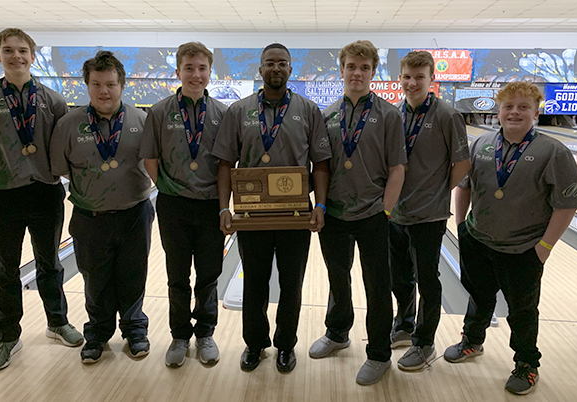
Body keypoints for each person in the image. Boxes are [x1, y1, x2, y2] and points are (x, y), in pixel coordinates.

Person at [445, 82, 577, 395]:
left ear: (536, 112)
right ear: (498, 110)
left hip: (523, 249)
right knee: (478, 297)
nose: (515, 112)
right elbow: (464, 185)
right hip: (478, 241)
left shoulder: (553, 151)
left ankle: (526, 363)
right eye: (508, 106)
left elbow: (567, 203)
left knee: (522, 311)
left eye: (523, 107)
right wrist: (463, 225)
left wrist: (544, 248)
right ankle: (472, 341)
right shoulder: (482, 144)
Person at [0, 28, 83, 371]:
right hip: (2, 197)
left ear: (33, 54)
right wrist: (2, 173)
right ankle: (7, 337)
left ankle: (57, 322)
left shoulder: (53, 100)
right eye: (8, 50)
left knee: (50, 263)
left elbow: (63, 149)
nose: (16, 56)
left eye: (22, 50)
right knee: (5, 270)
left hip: (45, 193)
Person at [212, 43, 331, 374]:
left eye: (282, 63)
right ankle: (254, 344)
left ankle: (285, 345)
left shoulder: (308, 111)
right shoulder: (239, 111)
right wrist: (225, 208)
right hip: (252, 215)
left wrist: (319, 204)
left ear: (291, 70)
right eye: (269, 63)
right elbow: (225, 163)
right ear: (260, 69)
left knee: (292, 284)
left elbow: (320, 164)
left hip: (295, 214)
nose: (275, 68)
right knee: (255, 283)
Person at [307, 40, 406, 385]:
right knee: (338, 278)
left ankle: (379, 354)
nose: (357, 73)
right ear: (342, 70)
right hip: (334, 212)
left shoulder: (389, 114)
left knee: (378, 286)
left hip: (372, 214)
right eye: (351, 66)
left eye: (365, 68)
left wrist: (386, 212)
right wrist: (319, 205)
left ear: (373, 72)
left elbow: (397, 168)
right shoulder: (327, 114)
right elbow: (320, 165)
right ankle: (337, 333)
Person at [50, 51, 154, 364]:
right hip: (89, 216)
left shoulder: (142, 120)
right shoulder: (68, 124)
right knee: (94, 278)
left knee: (133, 276)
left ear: (122, 85)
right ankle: (97, 332)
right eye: (96, 84)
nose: (103, 91)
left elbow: (152, 162)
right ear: (87, 85)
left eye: (110, 84)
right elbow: (61, 169)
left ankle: (134, 329)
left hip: (135, 213)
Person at [140, 42, 227, 367]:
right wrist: (166, 186)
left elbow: (225, 165)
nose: (195, 74)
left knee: (208, 275)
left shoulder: (221, 113)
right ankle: (179, 335)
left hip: (209, 206)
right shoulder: (160, 111)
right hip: (173, 205)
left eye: (202, 68)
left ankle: (205, 333)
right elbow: (150, 158)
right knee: (177, 275)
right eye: (189, 68)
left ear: (209, 72)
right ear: (178, 72)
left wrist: (223, 206)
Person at [389, 50, 471, 371]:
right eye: (407, 77)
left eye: (419, 77)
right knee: (400, 276)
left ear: (431, 79)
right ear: (400, 78)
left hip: (430, 214)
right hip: (395, 211)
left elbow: (462, 164)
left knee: (427, 278)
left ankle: (424, 342)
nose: (412, 83)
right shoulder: (394, 114)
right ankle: (405, 324)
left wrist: (438, 192)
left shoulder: (447, 116)